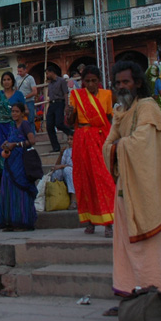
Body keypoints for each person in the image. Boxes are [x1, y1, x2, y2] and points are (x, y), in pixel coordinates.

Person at [103, 61, 161, 299]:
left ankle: (157, 294)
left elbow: (142, 144)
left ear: (137, 83)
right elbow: (107, 145)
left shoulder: (147, 107)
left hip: (145, 188)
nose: (121, 87)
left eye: (126, 82)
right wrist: (117, 147)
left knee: (148, 247)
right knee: (125, 245)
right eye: (117, 83)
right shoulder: (120, 112)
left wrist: (119, 146)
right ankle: (130, 294)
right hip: (124, 189)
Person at [67, 65, 115, 237]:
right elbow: (71, 121)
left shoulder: (107, 95)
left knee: (103, 177)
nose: (91, 84)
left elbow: (108, 119)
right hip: (82, 138)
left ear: (99, 81)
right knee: (84, 178)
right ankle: (89, 221)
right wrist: (69, 113)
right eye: (87, 81)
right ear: (83, 82)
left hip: (101, 137)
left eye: (94, 81)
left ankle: (108, 222)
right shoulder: (76, 96)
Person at [0, 102, 38, 232]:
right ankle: (11, 221)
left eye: (16, 112)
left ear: (21, 113)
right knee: (9, 191)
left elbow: (32, 141)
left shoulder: (25, 124)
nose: (14, 114)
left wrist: (16, 144)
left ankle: (23, 222)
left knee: (21, 191)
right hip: (10, 162)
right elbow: (10, 141)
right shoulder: (12, 126)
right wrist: (7, 144)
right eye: (13, 111)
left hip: (21, 163)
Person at [0, 72, 25, 189]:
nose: (6, 82)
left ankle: (15, 182)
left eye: (8, 79)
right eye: (4, 80)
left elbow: (26, 111)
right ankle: (4, 184)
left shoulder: (18, 95)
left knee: (13, 154)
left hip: (12, 127)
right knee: (2, 155)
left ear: (12, 81)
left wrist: (15, 114)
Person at [44, 65, 73, 153]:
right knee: (49, 126)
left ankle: (71, 133)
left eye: (48, 73)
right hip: (52, 104)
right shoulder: (50, 84)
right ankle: (55, 146)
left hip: (59, 102)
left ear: (52, 72)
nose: (47, 75)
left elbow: (65, 93)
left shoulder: (61, 81)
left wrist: (66, 105)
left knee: (59, 123)